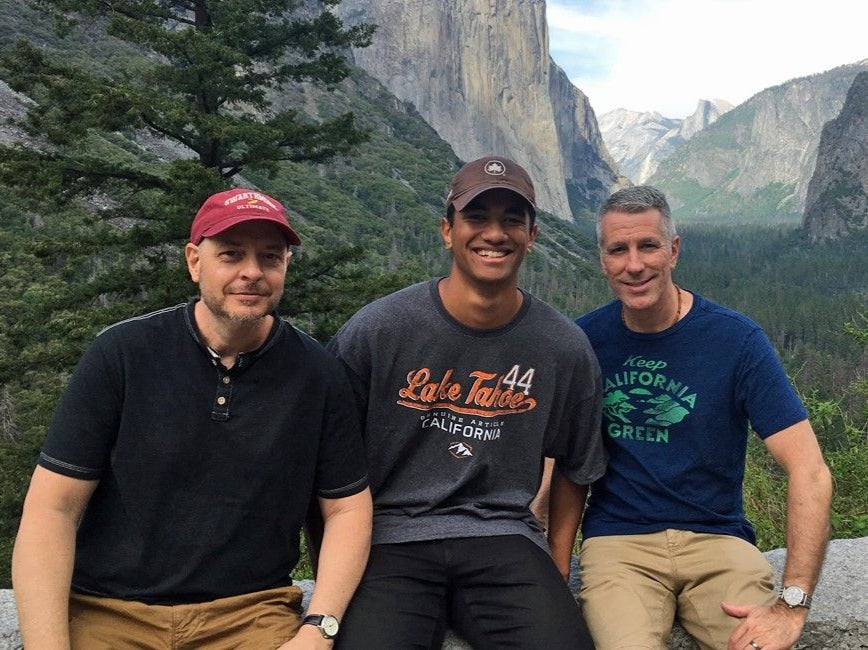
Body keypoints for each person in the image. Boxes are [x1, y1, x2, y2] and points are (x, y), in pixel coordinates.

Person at [12, 188, 373, 649]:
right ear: (194, 261)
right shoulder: (124, 355)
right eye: (230, 255)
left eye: (270, 257)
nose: (252, 272)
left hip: (250, 613)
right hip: (109, 610)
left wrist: (319, 628)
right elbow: (52, 509)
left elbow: (346, 509)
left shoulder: (317, 373)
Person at [326, 156, 606, 649]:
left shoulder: (562, 348)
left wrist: (556, 567)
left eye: (511, 220)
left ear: (532, 236)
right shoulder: (376, 332)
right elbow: (327, 466)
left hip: (505, 538)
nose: (494, 233)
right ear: (447, 231)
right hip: (389, 540)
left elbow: (575, 468)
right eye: (477, 218)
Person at [575, 185, 832, 650]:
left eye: (648, 245)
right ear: (603, 260)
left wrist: (792, 604)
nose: (634, 265)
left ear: (673, 249)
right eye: (619, 249)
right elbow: (558, 463)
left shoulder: (735, 341)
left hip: (719, 543)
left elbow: (809, 469)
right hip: (619, 546)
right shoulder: (584, 342)